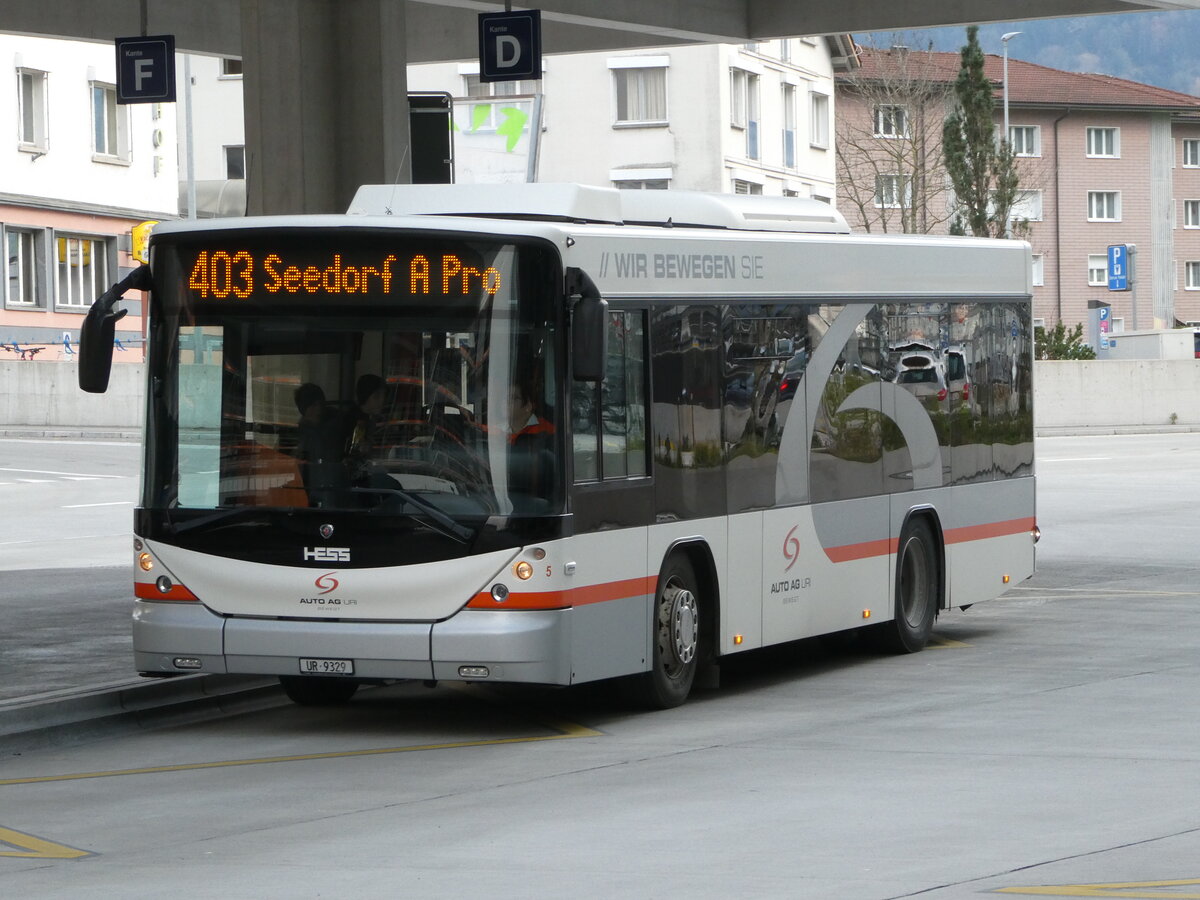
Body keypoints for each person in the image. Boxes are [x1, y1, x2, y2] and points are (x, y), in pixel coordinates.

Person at [293, 382, 344, 506]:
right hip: (308, 487)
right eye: (313, 405)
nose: (318, 409)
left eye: (320, 404)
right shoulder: (300, 432)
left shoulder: (334, 427)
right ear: (304, 409)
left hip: (330, 487)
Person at [507, 378, 555, 501]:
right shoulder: (492, 430)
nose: (505, 402)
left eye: (513, 398)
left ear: (528, 406)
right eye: (504, 397)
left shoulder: (548, 432)